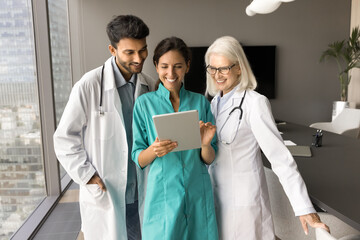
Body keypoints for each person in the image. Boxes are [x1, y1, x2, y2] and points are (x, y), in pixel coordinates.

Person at [205, 36, 330, 240]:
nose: (217, 75)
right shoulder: (212, 104)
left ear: (239, 68)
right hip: (216, 198)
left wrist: (303, 207)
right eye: (213, 68)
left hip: (243, 203)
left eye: (224, 68)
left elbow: (280, 159)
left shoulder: (255, 103)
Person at [53, 15, 156, 240]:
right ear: (112, 49)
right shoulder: (89, 86)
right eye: (130, 52)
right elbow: (63, 138)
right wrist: (87, 175)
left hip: (143, 191)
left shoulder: (149, 84)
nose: (139, 58)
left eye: (143, 50)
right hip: (108, 193)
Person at [131, 36, 219, 240]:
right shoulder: (144, 104)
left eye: (178, 66)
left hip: (197, 192)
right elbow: (138, 157)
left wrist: (205, 144)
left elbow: (210, 158)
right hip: (163, 196)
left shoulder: (200, 102)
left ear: (187, 66)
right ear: (156, 66)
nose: (171, 73)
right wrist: (154, 150)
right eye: (164, 66)